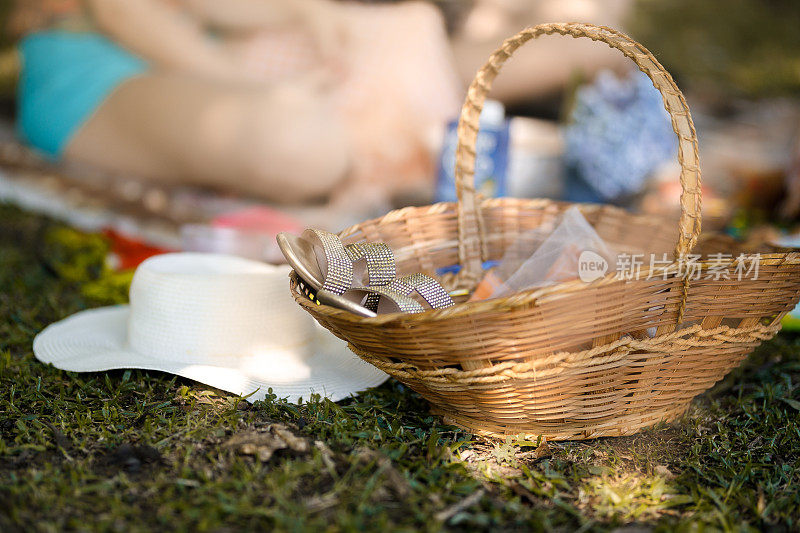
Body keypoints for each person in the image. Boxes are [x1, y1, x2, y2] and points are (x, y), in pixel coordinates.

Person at [11, 0, 631, 206]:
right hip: (92, 72)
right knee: (301, 145)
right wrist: (245, 85)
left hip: (208, 49)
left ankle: (593, 41)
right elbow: (120, 8)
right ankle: (588, 43)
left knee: (396, 35)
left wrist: (312, 10)